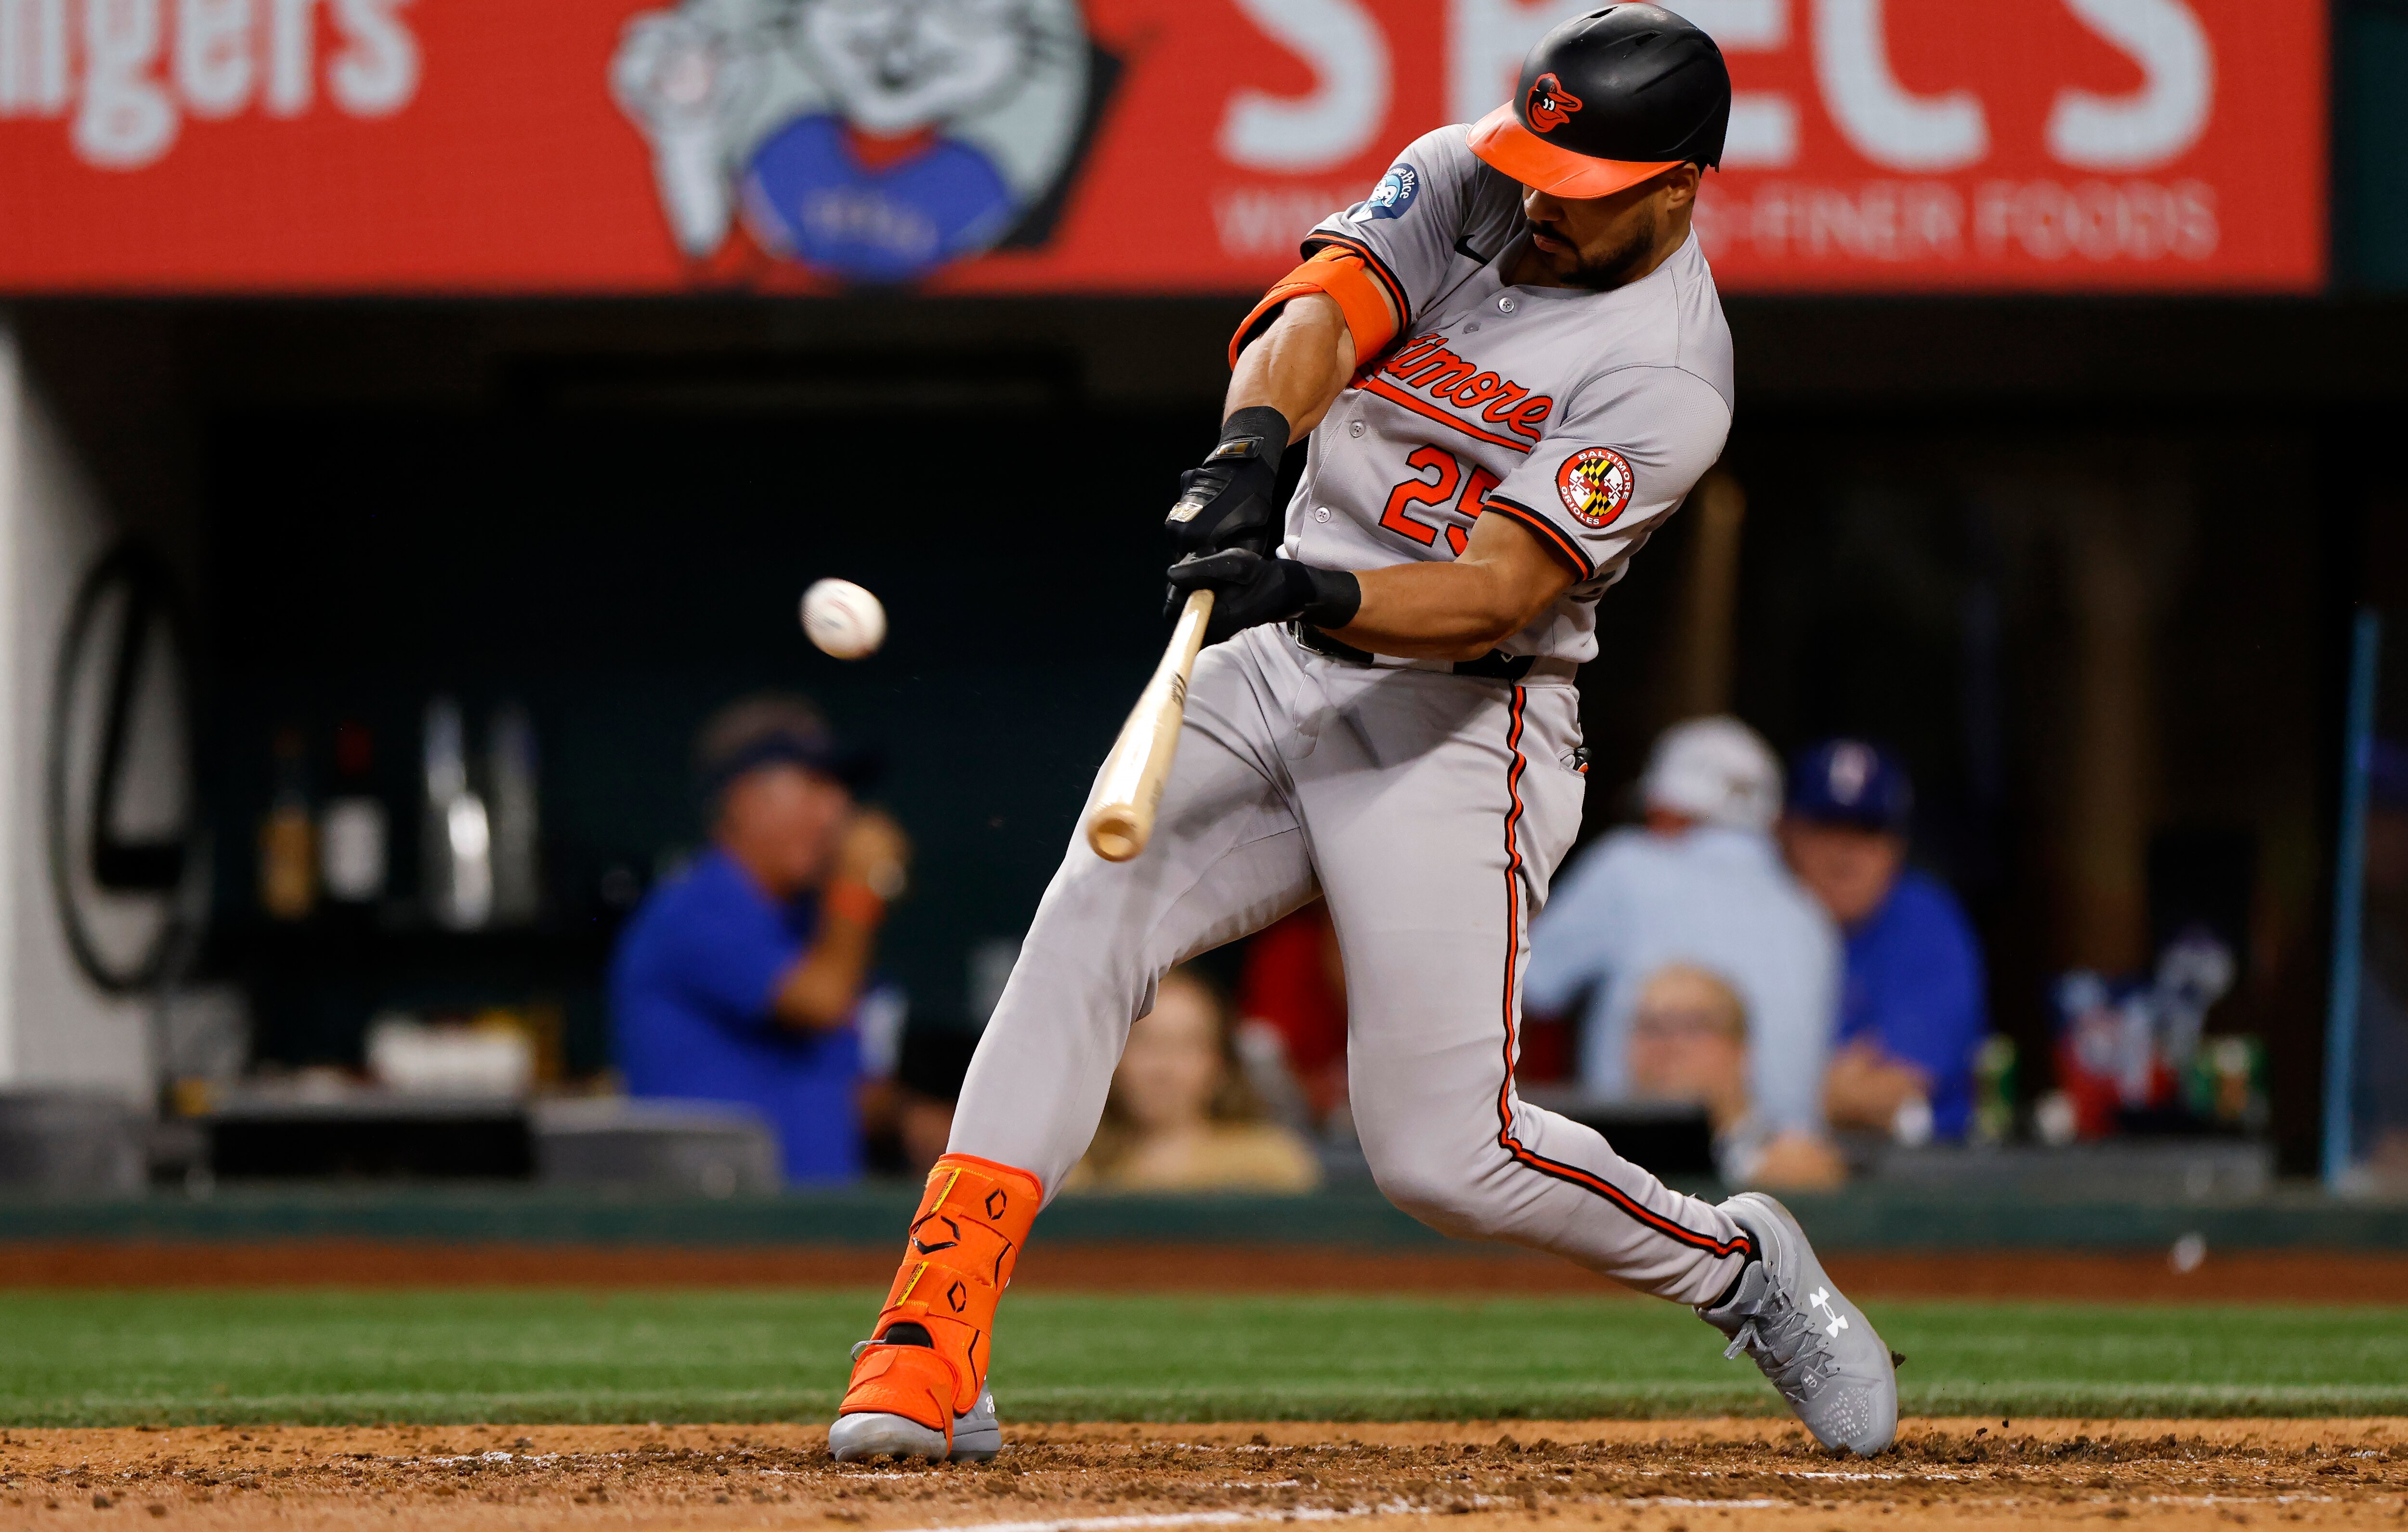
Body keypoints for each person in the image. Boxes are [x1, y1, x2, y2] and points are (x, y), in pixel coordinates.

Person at [829, 6, 1896, 1465]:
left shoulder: (1667, 373)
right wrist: (1247, 451)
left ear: (1677, 185)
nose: (1536, 202)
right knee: (1088, 911)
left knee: (1440, 1155)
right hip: (1274, 654)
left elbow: (1497, 591)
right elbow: (1318, 313)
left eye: (1581, 190)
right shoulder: (1467, 171)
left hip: (1461, 719)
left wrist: (1305, 582)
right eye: (1535, 164)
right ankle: (928, 1334)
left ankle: (1742, 1271)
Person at [609, 695, 910, 1185]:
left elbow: (851, 1094)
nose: (839, 812)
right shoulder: (694, 907)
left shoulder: (807, 923)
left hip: (816, 1233)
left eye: (841, 790)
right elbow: (820, 1001)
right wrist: (858, 886)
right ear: (745, 801)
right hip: (710, 1238)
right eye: (816, 786)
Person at [1525, 717, 1843, 1139]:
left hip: (1646, 1168)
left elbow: (1525, 981)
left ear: (1673, 808)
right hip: (1779, 1177)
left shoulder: (1628, 866)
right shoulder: (1812, 916)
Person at [1780, 739, 1988, 1142]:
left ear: (1897, 845)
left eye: (1867, 831)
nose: (1845, 852)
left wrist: (1785, 1089)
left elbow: (1895, 1088)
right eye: (1826, 827)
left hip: (1923, 1172)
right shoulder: (1762, 920)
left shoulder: (1926, 919)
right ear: (1787, 834)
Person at [1065, 968, 1322, 1193]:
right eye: (1146, 1043)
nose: (1164, 1068)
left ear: (1220, 1065)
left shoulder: (1270, 1166)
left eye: (1187, 1046)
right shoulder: (1070, 1172)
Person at [1625, 964, 1845, 1190]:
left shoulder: (1794, 1165)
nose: (1667, 1046)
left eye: (1692, 1026)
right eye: (1651, 1028)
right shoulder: (1613, 1165)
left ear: (1741, 1048)